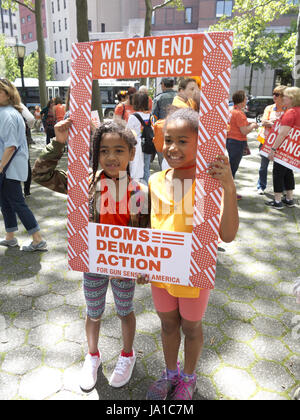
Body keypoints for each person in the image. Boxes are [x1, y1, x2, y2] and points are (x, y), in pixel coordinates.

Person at [32, 118, 150, 392]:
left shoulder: (140, 192)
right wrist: (58, 142)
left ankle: (127, 354)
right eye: (104, 150)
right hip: (93, 265)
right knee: (93, 312)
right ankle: (92, 355)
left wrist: (146, 267)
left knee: (125, 311)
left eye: (119, 150)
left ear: (132, 154)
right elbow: (40, 175)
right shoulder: (84, 185)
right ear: (96, 153)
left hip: (125, 268)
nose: (111, 157)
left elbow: (147, 234)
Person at [146, 108, 239, 400]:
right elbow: (147, 227)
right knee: (168, 323)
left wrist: (229, 185)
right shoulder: (155, 181)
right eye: (169, 139)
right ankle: (170, 372)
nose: (173, 148)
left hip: (195, 271)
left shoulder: (209, 185)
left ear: (202, 142)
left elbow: (228, 235)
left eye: (183, 141)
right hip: (161, 270)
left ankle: (188, 377)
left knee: (191, 326)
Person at [0, 78, 47, 252]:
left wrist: (1, 166)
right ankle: (10, 236)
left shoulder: (7, 114)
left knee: (17, 202)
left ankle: (38, 239)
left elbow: (11, 145)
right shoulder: (8, 111)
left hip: (8, 167)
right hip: (9, 166)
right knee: (5, 201)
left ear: (8, 94)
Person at [266, 86, 300, 209]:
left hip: (283, 149)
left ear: (291, 98)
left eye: (285, 96)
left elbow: (283, 133)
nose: (283, 98)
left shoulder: (290, 112)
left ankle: (277, 201)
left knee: (278, 173)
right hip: (293, 149)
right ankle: (289, 199)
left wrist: (273, 149)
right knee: (288, 172)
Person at [226, 90, 258, 199]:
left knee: (231, 167)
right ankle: (229, 193)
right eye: (245, 99)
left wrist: (251, 124)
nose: (247, 100)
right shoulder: (239, 113)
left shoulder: (232, 111)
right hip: (237, 142)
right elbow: (244, 131)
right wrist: (253, 126)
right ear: (241, 101)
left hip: (231, 141)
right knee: (232, 169)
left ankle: (228, 192)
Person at [256, 85, 286, 195]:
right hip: (266, 142)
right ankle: (261, 186)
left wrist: (273, 123)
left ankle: (280, 189)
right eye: (273, 93)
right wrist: (274, 123)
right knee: (263, 167)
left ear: (283, 96)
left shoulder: (287, 109)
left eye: (277, 94)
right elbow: (263, 122)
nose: (274, 96)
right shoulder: (269, 108)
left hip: (281, 143)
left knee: (280, 169)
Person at [127, 91, 152, 183]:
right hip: (148, 144)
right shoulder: (150, 115)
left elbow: (128, 132)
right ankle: (147, 188)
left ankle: (137, 190)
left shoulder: (133, 117)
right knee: (146, 168)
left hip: (136, 145)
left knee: (136, 168)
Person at [152, 78, 177, 169]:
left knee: (162, 158)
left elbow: (153, 117)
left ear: (163, 85)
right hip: (178, 129)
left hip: (162, 131)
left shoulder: (158, 98)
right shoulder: (180, 97)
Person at [21, 103, 35, 197]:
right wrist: (28, 127)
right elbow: (30, 119)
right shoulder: (19, 104)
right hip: (22, 139)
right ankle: (27, 191)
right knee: (25, 164)